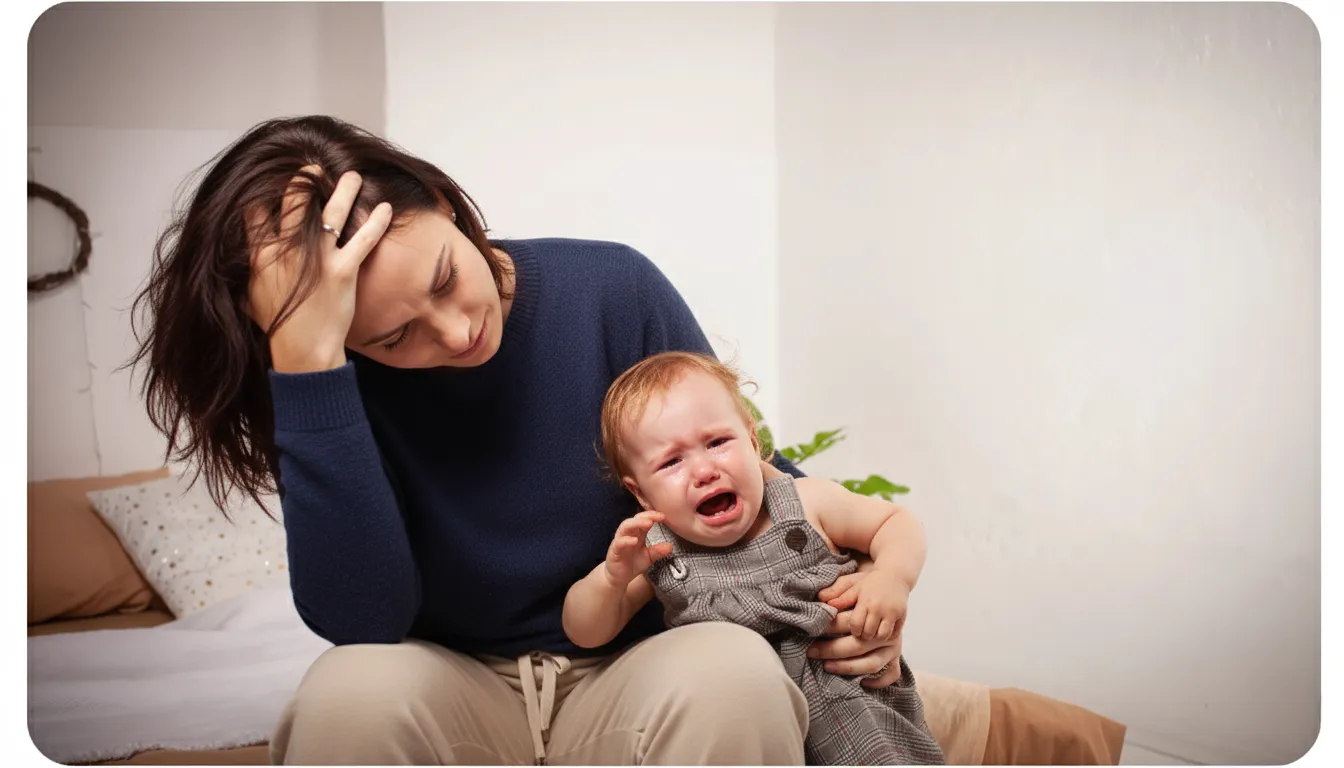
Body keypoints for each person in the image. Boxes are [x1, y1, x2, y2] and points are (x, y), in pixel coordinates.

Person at [130, 114, 915, 765]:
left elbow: (751, 483)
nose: (457, 330)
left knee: (735, 672)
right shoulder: (326, 376)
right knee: (346, 695)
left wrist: (860, 605)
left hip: (641, 667)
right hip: (453, 685)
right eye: (396, 337)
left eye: (444, 279)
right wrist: (308, 370)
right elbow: (362, 622)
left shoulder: (612, 290)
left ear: (444, 201)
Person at [564, 351, 946, 765]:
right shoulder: (660, 551)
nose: (704, 470)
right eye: (672, 462)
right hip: (748, 731)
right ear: (640, 493)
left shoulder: (804, 502)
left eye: (717, 442)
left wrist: (891, 576)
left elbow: (896, 522)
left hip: (857, 710)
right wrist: (611, 579)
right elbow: (585, 630)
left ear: (752, 441)